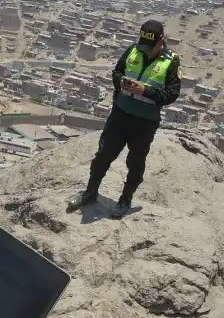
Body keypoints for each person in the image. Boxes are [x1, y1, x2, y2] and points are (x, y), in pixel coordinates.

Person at [69, 19, 181, 215]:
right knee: (103, 156)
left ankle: (125, 200)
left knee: (135, 163)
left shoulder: (171, 62)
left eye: (149, 46)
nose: (145, 49)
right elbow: (117, 73)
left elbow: (171, 95)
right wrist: (122, 83)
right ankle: (90, 192)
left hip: (144, 123)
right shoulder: (133, 51)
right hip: (120, 115)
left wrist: (144, 90)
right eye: (142, 44)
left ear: (161, 41)